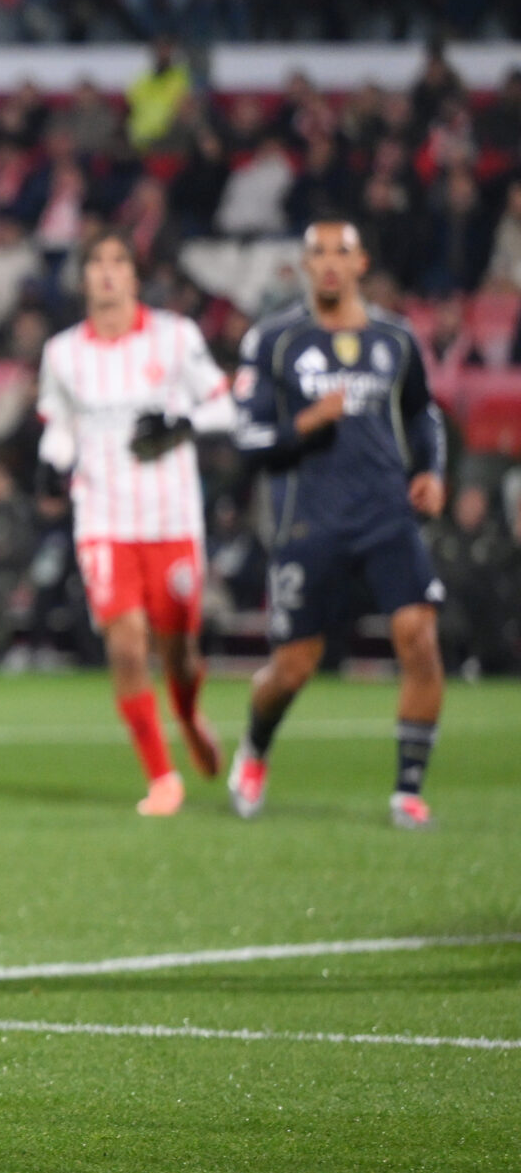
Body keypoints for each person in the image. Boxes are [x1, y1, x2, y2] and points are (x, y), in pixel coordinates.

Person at [231, 220, 449, 828]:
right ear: (304, 265)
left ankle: (408, 788)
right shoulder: (274, 340)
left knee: (420, 638)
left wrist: (430, 469)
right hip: (311, 521)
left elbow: (422, 413)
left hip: (387, 515)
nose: (328, 263)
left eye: (341, 253)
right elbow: (246, 438)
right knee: (295, 666)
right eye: (318, 253)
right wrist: (304, 424)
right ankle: (254, 751)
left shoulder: (395, 337)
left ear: (361, 264)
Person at [34, 230, 237, 815]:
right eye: (95, 261)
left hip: (170, 517)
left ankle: (190, 713)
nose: (106, 271)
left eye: (117, 261)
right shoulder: (63, 352)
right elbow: (61, 423)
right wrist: (53, 462)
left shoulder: (175, 338)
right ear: (82, 277)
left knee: (180, 652)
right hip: (101, 517)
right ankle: (162, 776)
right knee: (125, 647)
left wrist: (182, 424)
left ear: (134, 275)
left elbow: (223, 404)